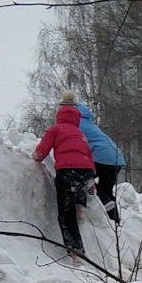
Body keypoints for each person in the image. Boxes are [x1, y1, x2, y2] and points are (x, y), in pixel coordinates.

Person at [34, 90, 96, 257]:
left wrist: (35, 157)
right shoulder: (80, 134)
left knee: (66, 215)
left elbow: (41, 152)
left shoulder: (55, 130)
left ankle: (77, 251)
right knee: (79, 188)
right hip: (86, 172)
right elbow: (89, 155)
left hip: (68, 171)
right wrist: (92, 183)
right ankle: (81, 204)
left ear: (59, 116)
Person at [75, 101, 125, 223]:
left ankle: (104, 203)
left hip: (100, 157)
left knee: (85, 179)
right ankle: (115, 222)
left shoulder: (77, 124)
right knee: (106, 189)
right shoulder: (90, 123)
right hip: (116, 158)